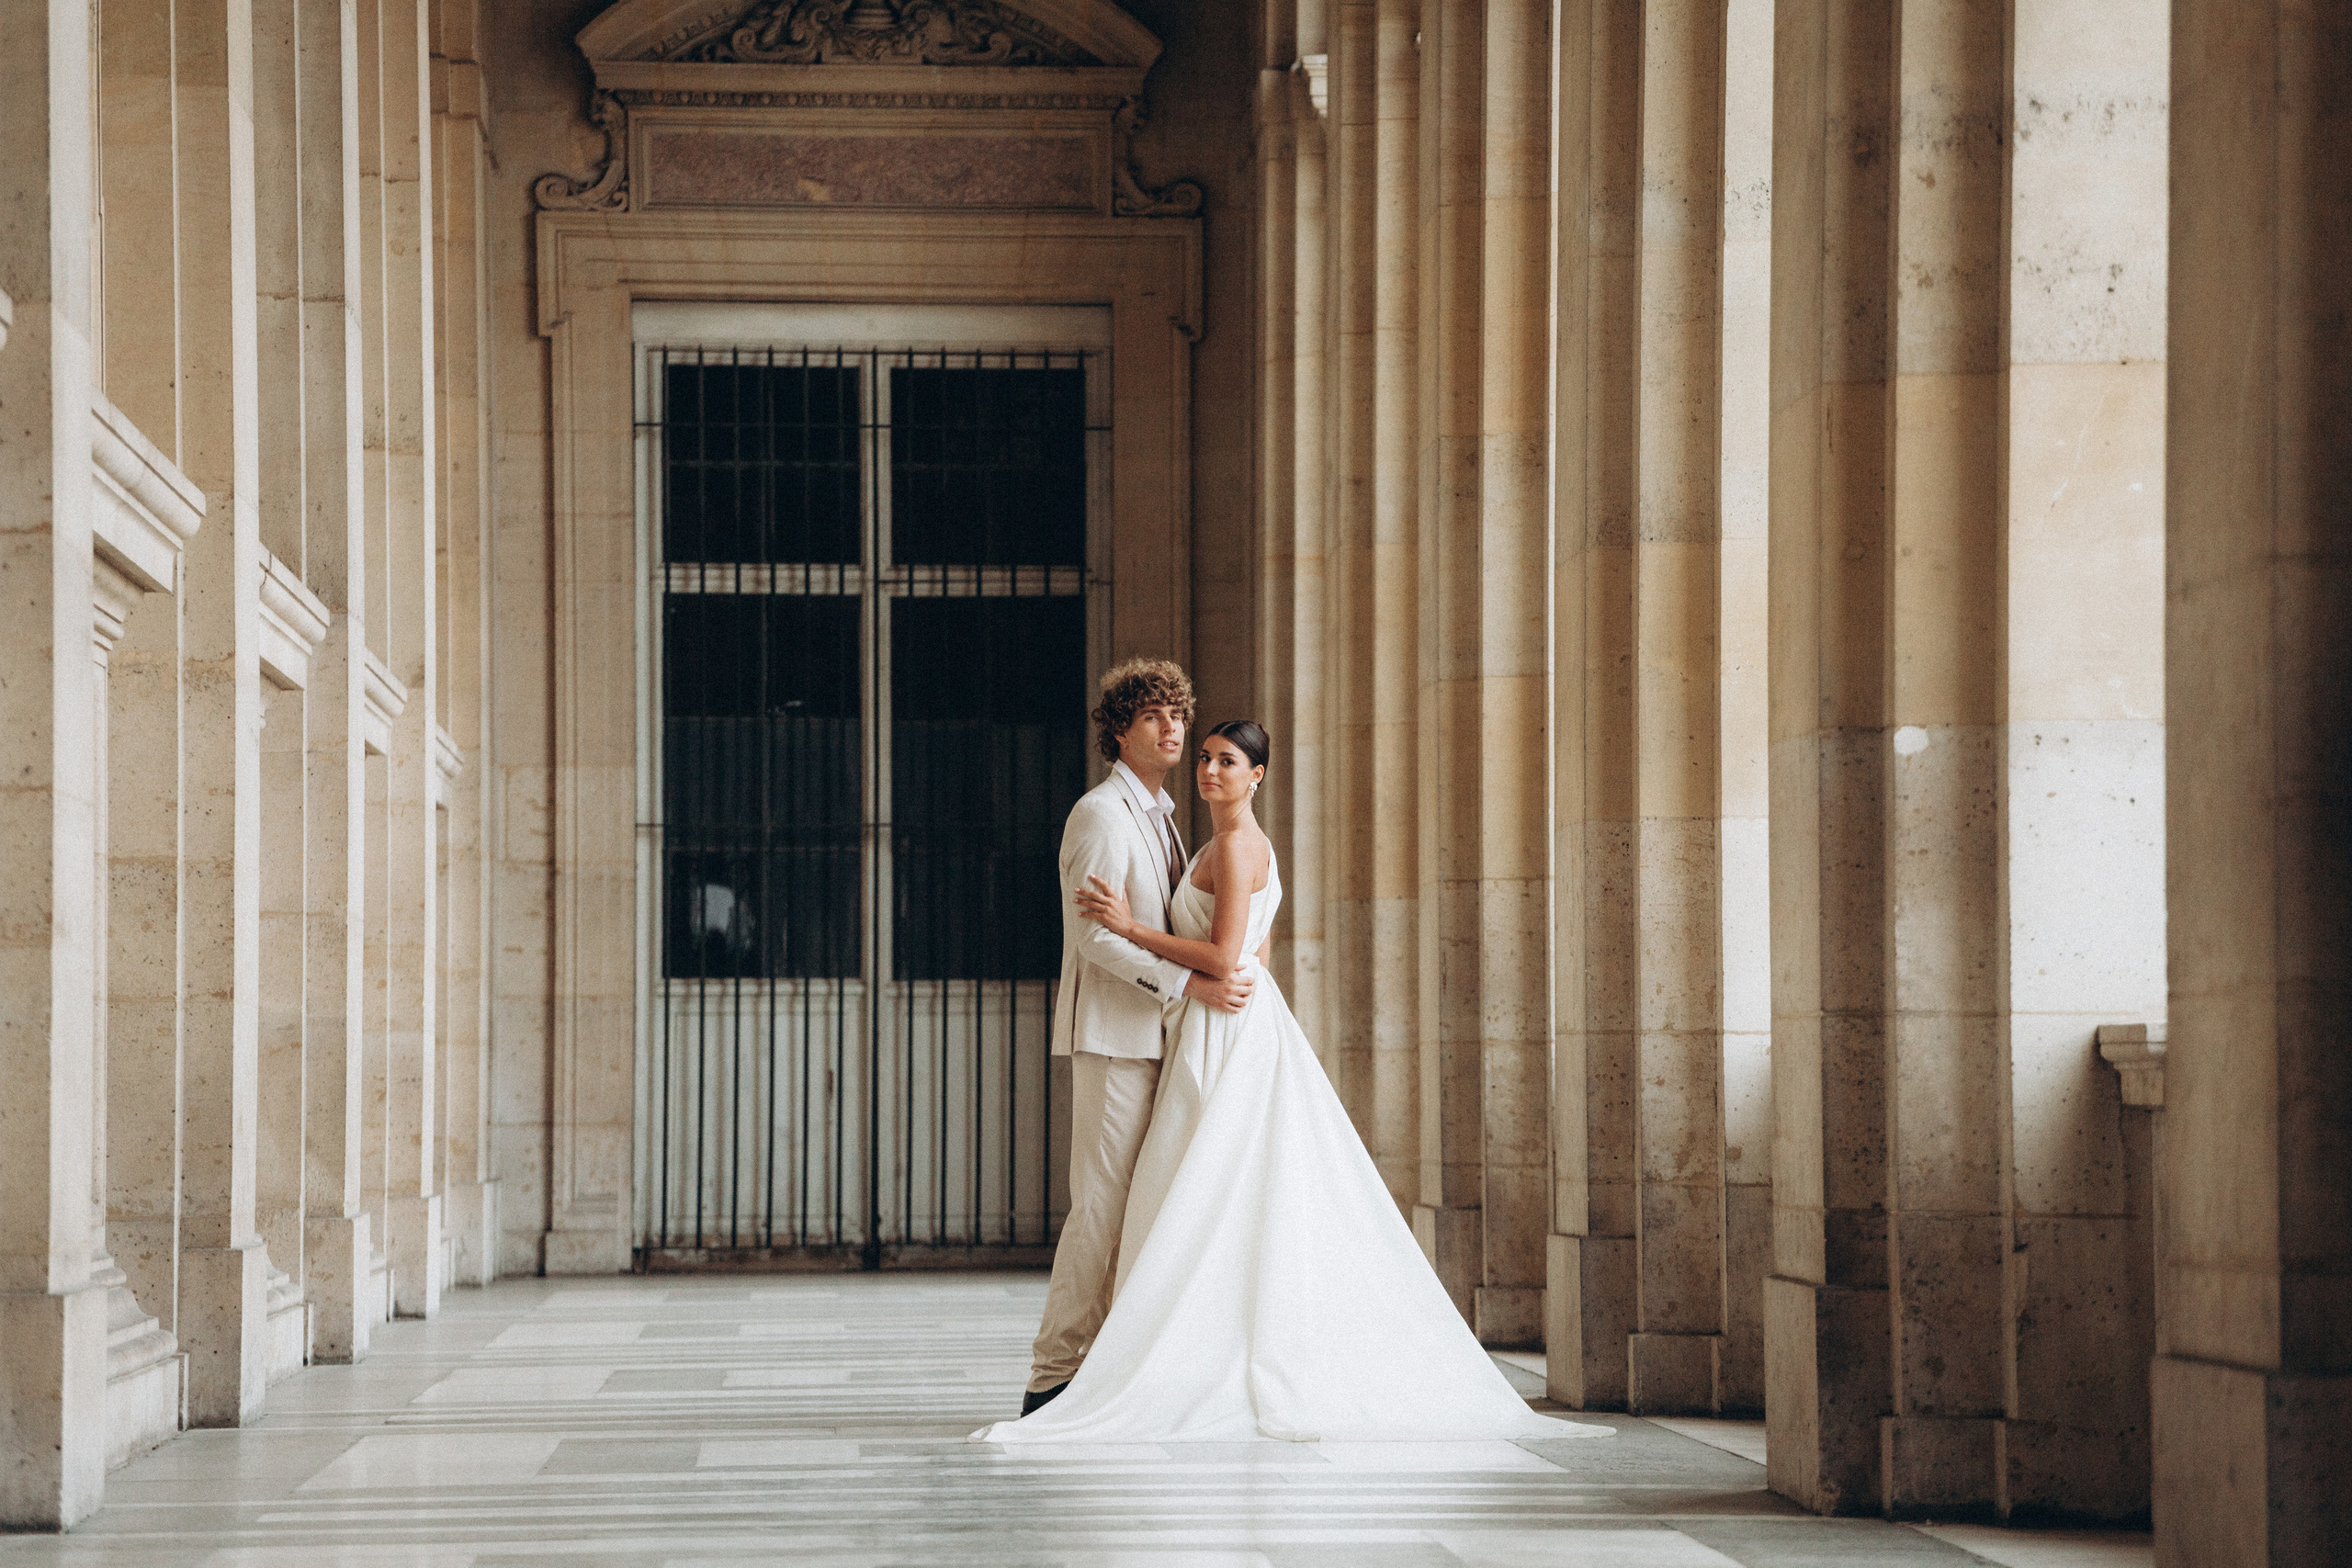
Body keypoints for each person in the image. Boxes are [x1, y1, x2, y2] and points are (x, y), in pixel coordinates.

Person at [976, 721, 1609, 1445]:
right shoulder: (1212, 841)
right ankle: (1159, 1357)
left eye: (1228, 761)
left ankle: (1158, 1364)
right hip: (1223, 1020)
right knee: (1200, 1192)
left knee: (1185, 1191)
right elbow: (1257, 953)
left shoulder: (1235, 846)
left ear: (1258, 775)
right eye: (1207, 758)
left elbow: (1225, 957)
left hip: (1220, 1023)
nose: (1210, 769)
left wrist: (1133, 926)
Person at [1019, 660, 1259, 1416]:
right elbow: (1095, 939)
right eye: (1154, 715)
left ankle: (1107, 1372)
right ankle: (1051, 1377)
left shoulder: (1165, 817)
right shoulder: (1100, 814)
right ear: (1120, 731)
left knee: (1142, 1210)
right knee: (1099, 1209)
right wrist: (1187, 984)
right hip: (1114, 1036)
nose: (1173, 727)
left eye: (1178, 714)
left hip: (1165, 1040)